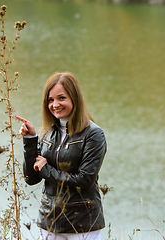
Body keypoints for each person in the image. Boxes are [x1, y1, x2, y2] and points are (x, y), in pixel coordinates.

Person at [18, 72, 107, 240]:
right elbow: (31, 178)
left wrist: (45, 169)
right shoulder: (48, 132)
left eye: (61, 98)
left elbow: (84, 181)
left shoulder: (93, 134)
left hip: (82, 225)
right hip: (49, 223)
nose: (55, 104)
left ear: (75, 98)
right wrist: (30, 140)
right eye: (50, 100)